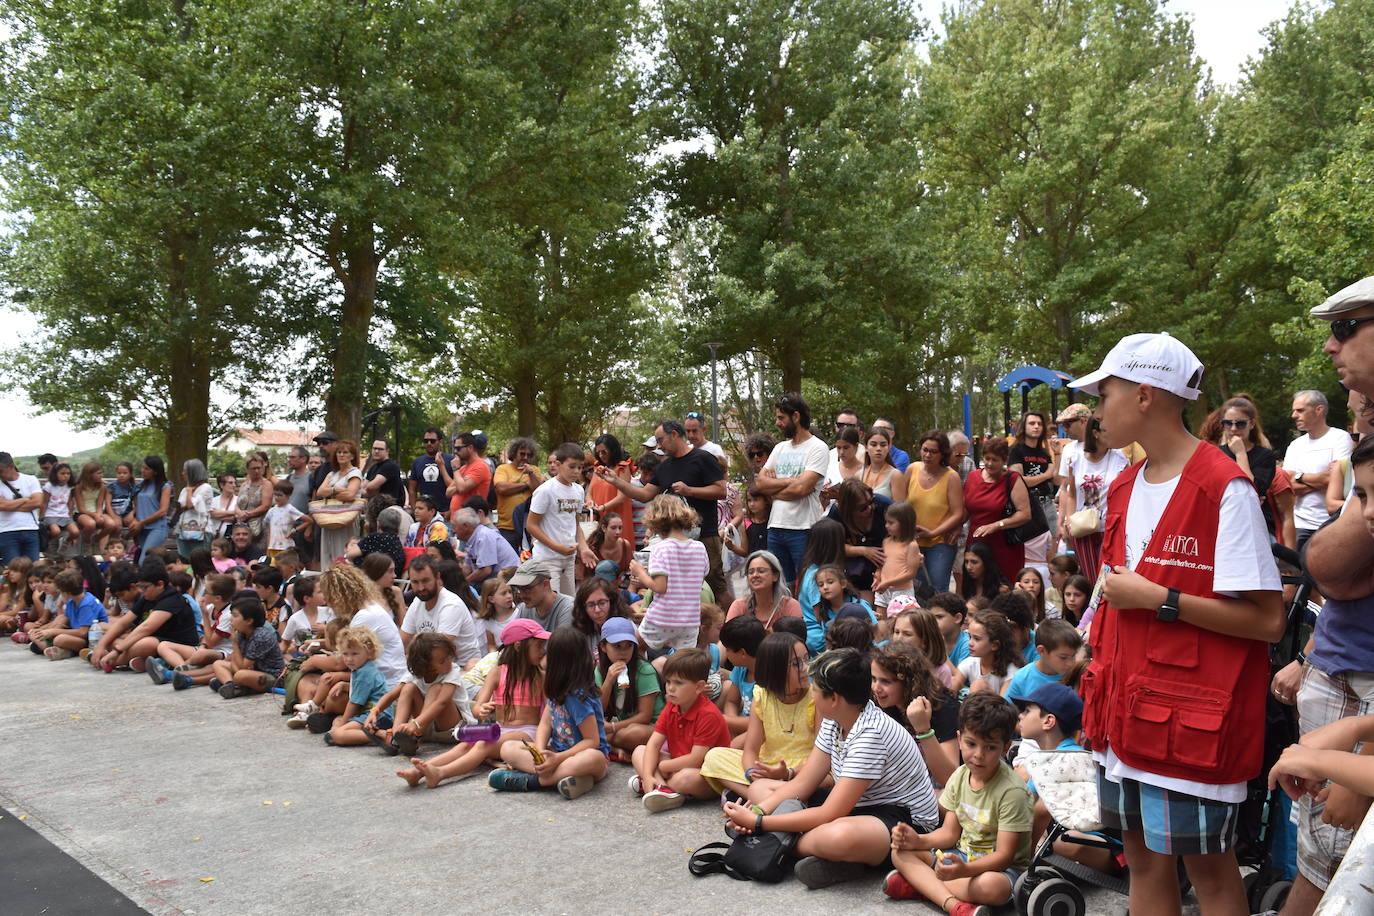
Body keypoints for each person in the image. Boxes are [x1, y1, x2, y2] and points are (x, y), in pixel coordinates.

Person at [1071, 332, 1283, 915]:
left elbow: (1268, 620)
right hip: (1122, 715)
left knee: (1210, 871)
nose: (1095, 411)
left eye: (1104, 393)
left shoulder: (1223, 488)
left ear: (1144, 395)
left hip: (1188, 724)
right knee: (1140, 859)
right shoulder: (1120, 486)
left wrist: (1163, 598)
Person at [721, 647, 941, 889]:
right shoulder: (836, 719)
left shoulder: (871, 734)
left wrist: (759, 825)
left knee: (837, 837)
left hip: (903, 820)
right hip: (857, 806)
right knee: (761, 788)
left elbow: (829, 813)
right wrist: (759, 811)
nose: (811, 693)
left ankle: (790, 846)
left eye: (815, 688)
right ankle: (838, 860)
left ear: (834, 698)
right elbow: (802, 785)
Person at [885, 694, 1032, 913]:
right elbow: (949, 834)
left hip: (998, 871)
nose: (979, 755)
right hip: (961, 857)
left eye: (990, 747)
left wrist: (965, 870)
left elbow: (1004, 857)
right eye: (971, 744)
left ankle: (924, 887)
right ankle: (955, 905)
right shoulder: (960, 776)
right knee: (899, 853)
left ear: (1005, 747)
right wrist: (917, 840)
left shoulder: (1012, 792)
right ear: (959, 738)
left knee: (994, 887)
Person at [397, 617, 548, 788]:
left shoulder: (540, 677)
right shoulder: (497, 673)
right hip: (499, 730)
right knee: (465, 745)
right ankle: (418, 772)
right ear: (519, 646)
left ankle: (440, 774)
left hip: (527, 732)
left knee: (483, 744)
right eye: (538, 646)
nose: (542, 651)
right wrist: (482, 709)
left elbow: (547, 715)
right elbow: (477, 708)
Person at [596, 418, 727, 599]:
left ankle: (727, 623)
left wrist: (690, 491)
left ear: (674, 435)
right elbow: (644, 495)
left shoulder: (703, 458)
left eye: (660, 440)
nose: (659, 445)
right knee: (680, 588)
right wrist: (616, 481)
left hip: (704, 536)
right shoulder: (664, 465)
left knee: (714, 587)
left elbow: (721, 490)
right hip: (672, 540)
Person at [491, 625, 611, 799]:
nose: (543, 656)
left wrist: (558, 759)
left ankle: (532, 781)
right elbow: (545, 723)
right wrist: (540, 753)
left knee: (594, 758)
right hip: (555, 753)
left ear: (558, 663)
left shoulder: (579, 697)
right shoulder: (556, 690)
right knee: (508, 748)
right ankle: (568, 779)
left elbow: (592, 741)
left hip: (582, 757)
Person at [700, 631, 818, 802]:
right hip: (767, 765)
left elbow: (821, 756)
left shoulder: (816, 697)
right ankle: (769, 797)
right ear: (774, 669)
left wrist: (788, 773)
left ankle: (758, 797)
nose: (805, 668)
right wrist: (752, 774)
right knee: (714, 757)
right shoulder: (761, 696)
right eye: (795, 664)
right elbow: (751, 750)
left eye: (806, 659)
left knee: (827, 776)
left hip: (803, 770)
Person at [629, 648, 731, 812]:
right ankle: (659, 787)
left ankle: (658, 787)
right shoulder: (672, 706)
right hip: (676, 764)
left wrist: (662, 767)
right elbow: (654, 743)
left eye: (678, 683)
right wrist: (648, 774)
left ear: (699, 687)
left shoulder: (708, 714)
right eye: (668, 681)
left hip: (705, 774)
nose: (670, 688)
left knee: (686, 778)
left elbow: (696, 759)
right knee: (640, 751)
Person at [755, 393, 830, 587]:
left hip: (803, 530)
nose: (777, 423)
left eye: (781, 418)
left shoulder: (818, 448)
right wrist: (790, 481)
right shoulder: (780, 448)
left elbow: (802, 488)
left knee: (808, 586)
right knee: (779, 586)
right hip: (775, 528)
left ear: (796, 417)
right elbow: (761, 484)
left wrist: (775, 488)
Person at [628, 494, 708, 653]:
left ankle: (632, 676)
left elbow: (660, 587)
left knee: (634, 650)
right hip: (689, 620)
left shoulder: (661, 548)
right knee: (683, 664)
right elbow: (699, 579)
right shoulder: (699, 547)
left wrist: (640, 573)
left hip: (662, 617)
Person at [364, 633, 465, 758]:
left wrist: (416, 724)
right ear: (426, 665)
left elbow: (442, 702)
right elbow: (391, 695)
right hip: (423, 728)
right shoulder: (417, 674)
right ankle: (395, 736)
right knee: (408, 687)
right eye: (442, 661)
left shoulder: (452, 671)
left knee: (436, 689)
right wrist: (374, 711)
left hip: (450, 729)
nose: (449, 662)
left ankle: (414, 736)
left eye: (449, 657)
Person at [1058, 411, 1128, 584]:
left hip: (1110, 529)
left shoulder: (1120, 459)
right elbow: (1071, 492)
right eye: (1108, 429)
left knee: (1107, 578)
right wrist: (1068, 520)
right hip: (1082, 529)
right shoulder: (1076, 459)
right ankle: (1094, 611)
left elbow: (1127, 495)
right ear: (1095, 433)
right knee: (1090, 578)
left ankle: (1105, 611)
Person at [525, 443, 597, 597]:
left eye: (580, 467)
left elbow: (575, 525)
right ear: (558, 465)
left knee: (569, 604)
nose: (577, 471)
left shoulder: (578, 490)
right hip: (547, 559)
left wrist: (583, 548)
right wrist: (557, 547)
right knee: (551, 604)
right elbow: (531, 525)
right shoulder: (545, 490)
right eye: (572, 467)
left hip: (568, 559)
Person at [1285, 389, 1353, 549]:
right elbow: (1288, 486)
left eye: (1300, 410)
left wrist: (1299, 476)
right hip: (1300, 524)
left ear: (1319, 410)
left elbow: (1339, 479)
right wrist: (1324, 479)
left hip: (1332, 523)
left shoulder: (1341, 438)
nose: (1294, 415)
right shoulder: (1296, 445)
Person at [963, 437, 1033, 585]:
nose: (989, 463)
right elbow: (966, 509)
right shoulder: (973, 476)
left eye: (995, 460)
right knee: (975, 589)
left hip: (1004, 546)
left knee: (1003, 589)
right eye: (987, 458)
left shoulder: (1013, 479)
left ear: (1004, 460)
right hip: (976, 543)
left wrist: (996, 525)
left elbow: (1025, 514)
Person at [595, 616, 663, 756]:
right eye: (617, 646)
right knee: (588, 725)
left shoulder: (644, 670)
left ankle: (605, 743)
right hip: (625, 726)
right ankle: (614, 747)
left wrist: (613, 727)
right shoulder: (600, 670)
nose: (624, 652)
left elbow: (645, 716)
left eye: (629, 646)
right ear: (603, 647)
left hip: (654, 727)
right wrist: (608, 681)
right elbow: (598, 710)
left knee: (632, 734)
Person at [398, 554, 483, 664]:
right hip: (432, 666)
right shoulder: (418, 602)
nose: (420, 588)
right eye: (415, 582)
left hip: (462, 667)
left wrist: (413, 646)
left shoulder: (451, 605)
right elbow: (402, 640)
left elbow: (439, 650)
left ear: (438, 577)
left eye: (425, 581)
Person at [908, 432, 966, 593]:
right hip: (913, 541)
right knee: (916, 590)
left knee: (938, 589)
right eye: (925, 449)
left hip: (940, 543)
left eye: (933, 452)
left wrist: (933, 532)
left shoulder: (951, 477)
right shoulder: (912, 469)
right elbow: (900, 503)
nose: (927, 455)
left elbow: (957, 513)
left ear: (943, 454)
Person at [320, 626, 390, 747]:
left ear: (370, 653)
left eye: (354, 654)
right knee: (337, 721)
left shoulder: (364, 672)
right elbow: (363, 690)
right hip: (373, 713)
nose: (349, 659)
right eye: (345, 654)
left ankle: (382, 736)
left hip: (378, 715)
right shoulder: (362, 668)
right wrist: (345, 685)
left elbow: (354, 703)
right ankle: (340, 732)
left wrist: (343, 722)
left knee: (339, 734)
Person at [209, 595, 285, 699]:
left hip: (274, 678)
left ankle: (236, 686)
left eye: (235, 616)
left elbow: (242, 667)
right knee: (218, 664)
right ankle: (231, 686)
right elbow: (237, 662)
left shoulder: (261, 636)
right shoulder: (242, 633)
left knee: (241, 675)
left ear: (249, 621)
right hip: (251, 671)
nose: (231, 619)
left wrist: (234, 643)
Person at [825, 478, 891, 598]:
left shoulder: (883, 505)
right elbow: (830, 546)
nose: (870, 508)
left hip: (889, 565)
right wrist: (863, 551)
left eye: (871, 502)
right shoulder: (837, 514)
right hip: (856, 572)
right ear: (848, 509)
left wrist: (882, 569)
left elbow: (903, 538)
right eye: (862, 508)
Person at [29, 568, 106, 661]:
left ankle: (65, 650)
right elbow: (64, 619)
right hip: (76, 633)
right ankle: (55, 648)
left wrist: (53, 632)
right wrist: (42, 631)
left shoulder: (86, 604)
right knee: (60, 619)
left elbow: (83, 632)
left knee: (60, 639)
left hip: (91, 639)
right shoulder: (71, 600)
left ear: (65, 592)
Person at [314, 438, 363, 571]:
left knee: (343, 550)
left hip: (346, 519)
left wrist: (330, 492)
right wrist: (337, 490)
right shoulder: (331, 474)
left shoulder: (355, 473)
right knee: (327, 552)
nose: (341, 455)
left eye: (345, 452)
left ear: (352, 456)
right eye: (339, 452)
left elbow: (350, 495)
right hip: (328, 518)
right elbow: (320, 492)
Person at [1001, 618, 1080, 700]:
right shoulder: (1023, 678)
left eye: (1073, 656)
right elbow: (1009, 710)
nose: (1070, 663)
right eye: (1063, 657)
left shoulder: (1075, 675)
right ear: (1042, 651)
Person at [726, 550, 802, 631]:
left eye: (761, 571)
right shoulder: (739, 606)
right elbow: (726, 639)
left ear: (775, 576)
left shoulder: (790, 606)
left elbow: (798, 640)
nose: (755, 575)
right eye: (751, 572)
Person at [493, 437, 543, 552]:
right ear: (514, 453)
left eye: (529, 455)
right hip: (507, 527)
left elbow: (539, 491)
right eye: (522, 454)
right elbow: (501, 488)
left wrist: (531, 474)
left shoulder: (534, 470)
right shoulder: (503, 469)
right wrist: (526, 485)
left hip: (529, 527)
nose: (525, 458)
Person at [871, 501, 922, 616]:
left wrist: (888, 582)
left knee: (900, 621)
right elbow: (882, 565)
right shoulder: (886, 541)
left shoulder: (911, 545)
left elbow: (910, 573)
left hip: (901, 592)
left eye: (891, 523)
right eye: (886, 522)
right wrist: (878, 576)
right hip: (884, 589)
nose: (886, 526)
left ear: (904, 524)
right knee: (881, 620)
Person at [958, 608, 1021, 696]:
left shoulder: (1011, 671)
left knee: (978, 685)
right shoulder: (971, 662)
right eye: (969, 636)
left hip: (996, 709)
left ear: (994, 645)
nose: (970, 643)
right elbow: (953, 685)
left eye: (977, 639)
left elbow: (1005, 706)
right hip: (973, 707)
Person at [449, 507, 518, 585]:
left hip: (508, 580)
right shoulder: (473, 538)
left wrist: (464, 583)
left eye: (454, 526)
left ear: (465, 526)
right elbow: (467, 568)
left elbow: (485, 570)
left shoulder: (483, 536)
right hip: (495, 580)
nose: (453, 530)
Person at [0, 452, 43, 565]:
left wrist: (9, 505)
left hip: (30, 528)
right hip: (7, 531)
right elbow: (2, 506)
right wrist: (25, 500)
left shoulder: (31, 479)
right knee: (12, 569)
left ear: (10, 466)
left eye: (1, 471)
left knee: (33, 568)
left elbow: (38, 502)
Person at [126, 456, 172, 559]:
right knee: (147, 560)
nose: (143, 471)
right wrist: (132, 514)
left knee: (144, 560)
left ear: (155, 471)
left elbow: (163, 511)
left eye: (147, 469)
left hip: (157, 528)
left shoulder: (165, 486)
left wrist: (142, 522)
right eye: (142, 468)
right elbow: (139, 505)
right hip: (141, 529)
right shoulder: (141, 485)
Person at [510, 558, 575, 632]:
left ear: (545, 584)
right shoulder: (524, 609)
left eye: (527, 589)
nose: (522, 595)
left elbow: (563, 643)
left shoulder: (568, 607)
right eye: (519, 589)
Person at [72, 462, 120, 553]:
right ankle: (87, 542)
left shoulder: (102, 487)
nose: (101, 475)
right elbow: (81, 508)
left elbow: (99, 505)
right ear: (89, 474)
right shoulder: (78, 487)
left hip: (96, 511)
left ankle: (96, 539)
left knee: (111, 524)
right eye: (98, 473)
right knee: (90, 524)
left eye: (101, 473)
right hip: (82, 513)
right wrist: (94, 516)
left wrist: (98, 514)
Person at [408, 427, 454, 517]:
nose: (429, 444)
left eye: (432, 441)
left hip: (446, 514)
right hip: (425, 516)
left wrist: (451, 511)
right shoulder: (417, 462)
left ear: (440, 442)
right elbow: (412, 489)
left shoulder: (451, 460)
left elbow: (457, 488)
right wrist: (415, 509)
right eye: (426, 441)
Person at [446, 432, 493, 518]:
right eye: (454, 448)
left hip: (472, 523)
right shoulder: (463, 468)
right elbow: (448, 492)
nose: (455, 452)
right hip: (457, 523)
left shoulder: (481, 466)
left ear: (470, 448)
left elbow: (462, 488)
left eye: (458, 448)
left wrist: (456, 470)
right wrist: (462, 482)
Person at [263, 481, 310, 563]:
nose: (277, 498)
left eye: (280, 495)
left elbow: (308, 520)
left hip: (286, 546)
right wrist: (268, 547)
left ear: (288, 495)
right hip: (273, 546)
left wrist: (295, 530)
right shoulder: (272, 511)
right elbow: (269, 530)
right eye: (275, 495)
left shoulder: (290, 509)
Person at [862, 423, 908, 504]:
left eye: (883, 445)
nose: (878, 449)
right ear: (866, 447)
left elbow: (900, 512)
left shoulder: (896, 475)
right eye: (873, 444)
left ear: (889, 447)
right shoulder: (859, 474)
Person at [234, 453, 274, 545]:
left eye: (259, 468)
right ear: (248, 469)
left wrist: (248, 514)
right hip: (242, 526)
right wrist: (240, 513)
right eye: (253, 468)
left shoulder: (266, 484)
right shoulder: (244, 484)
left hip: (259, 527)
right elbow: (237, 504)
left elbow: (265, 505)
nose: (256, 471)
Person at [40, 462, 78, 554]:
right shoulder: (49, 486)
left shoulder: (69, 486)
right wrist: (41, 517)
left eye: (68, 474)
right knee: (56, 531)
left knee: (75, 532)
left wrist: (70, 515)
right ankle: (48, 542)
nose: (66, 476)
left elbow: (69, 501)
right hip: (51, 514)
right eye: (62, 473)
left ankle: (65, 543)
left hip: (64, 514)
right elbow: (44, 502)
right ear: (55, 474)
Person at [362, 439, 405, 505]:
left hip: (389, 509)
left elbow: (371, 486)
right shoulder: (373, 467)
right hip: (375, 508)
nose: (376, 451)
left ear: (387, 451)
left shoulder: (390, 466)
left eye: (380, 449)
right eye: (374, 448)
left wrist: (367, 491)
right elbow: (363, 487)